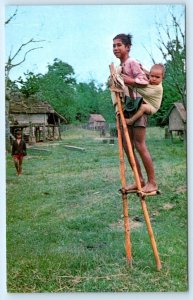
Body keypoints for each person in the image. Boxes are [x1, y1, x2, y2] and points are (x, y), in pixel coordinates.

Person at [113, 33, 158, 193]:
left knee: (139, 144)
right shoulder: (119, 67)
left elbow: (144, 82)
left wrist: (127, 80)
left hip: (138, 107)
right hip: (127, 108)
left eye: (119, 45)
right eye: (114, 46)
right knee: (127, 146)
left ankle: (152, 182)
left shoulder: (131, 63)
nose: (115, 48)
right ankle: (139, 179)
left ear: (128, 47)